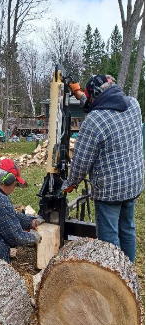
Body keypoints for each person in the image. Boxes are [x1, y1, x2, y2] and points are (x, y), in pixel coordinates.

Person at [62, 74, 144, 262]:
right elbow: (101, 104)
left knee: (109, 238)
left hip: (110, 191)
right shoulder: (133, 104)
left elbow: (81, 162)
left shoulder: (94, 121)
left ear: (96, 96)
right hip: (133, 182)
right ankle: (128, 271)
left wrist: (70, 183)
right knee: (127, 228)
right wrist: (78, 93)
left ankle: (114, 279)